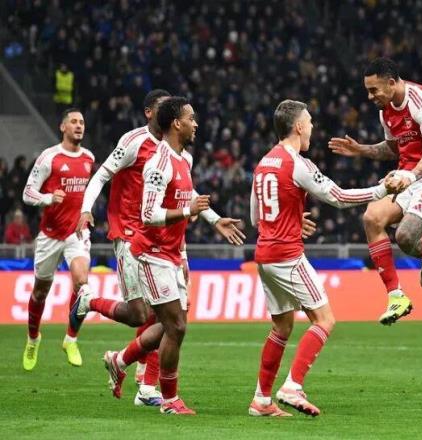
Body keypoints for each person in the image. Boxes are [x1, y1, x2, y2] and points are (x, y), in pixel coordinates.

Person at [72, 90, 245, 407]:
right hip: (132, 234)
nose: (195, 123)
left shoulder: (183, 157)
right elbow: (102, 176)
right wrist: (86, 209)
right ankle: (91, 304)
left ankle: (141, 381)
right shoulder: (135, 144)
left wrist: (212, 221)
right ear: (152, 114)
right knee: (144, 315)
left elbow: (186, 194)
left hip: (169, 243)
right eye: (187, 117)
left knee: (166, 320)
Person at [248, 100, 388, 417]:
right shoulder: (298, 164)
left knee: (281, 327)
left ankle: (262, 400)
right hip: (287, 255)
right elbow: (338, 197)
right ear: (298, 126)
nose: (312, 127)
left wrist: (291, 218)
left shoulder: (263, 163)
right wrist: (381, 190)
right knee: (325, 320)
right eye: (309, 121)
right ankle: (292, 386)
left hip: (265, 257)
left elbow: (257, 217)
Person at [329, 57, 422, 325]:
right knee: (371, 217)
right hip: (406, 176)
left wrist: (410, 176)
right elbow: (393, 149)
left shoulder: (421, 101)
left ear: (391, 82)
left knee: (405, 237)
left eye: (373, 90)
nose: (370, 96)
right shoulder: (385, 110)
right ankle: (396, 296)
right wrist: (361, 150)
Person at [21, 108, 94, 370]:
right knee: (40, 292)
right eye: (73, 122)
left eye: (81, 122)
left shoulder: (89, 158)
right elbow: (27, 193)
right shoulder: (49, 157)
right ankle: (33, 338)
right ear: (63, 127)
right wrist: (48, 198)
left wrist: (86, 211)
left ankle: (71, 339)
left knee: (82, 284)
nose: (79, 125)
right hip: (50, 235)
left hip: (76, 233)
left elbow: (87, 193)